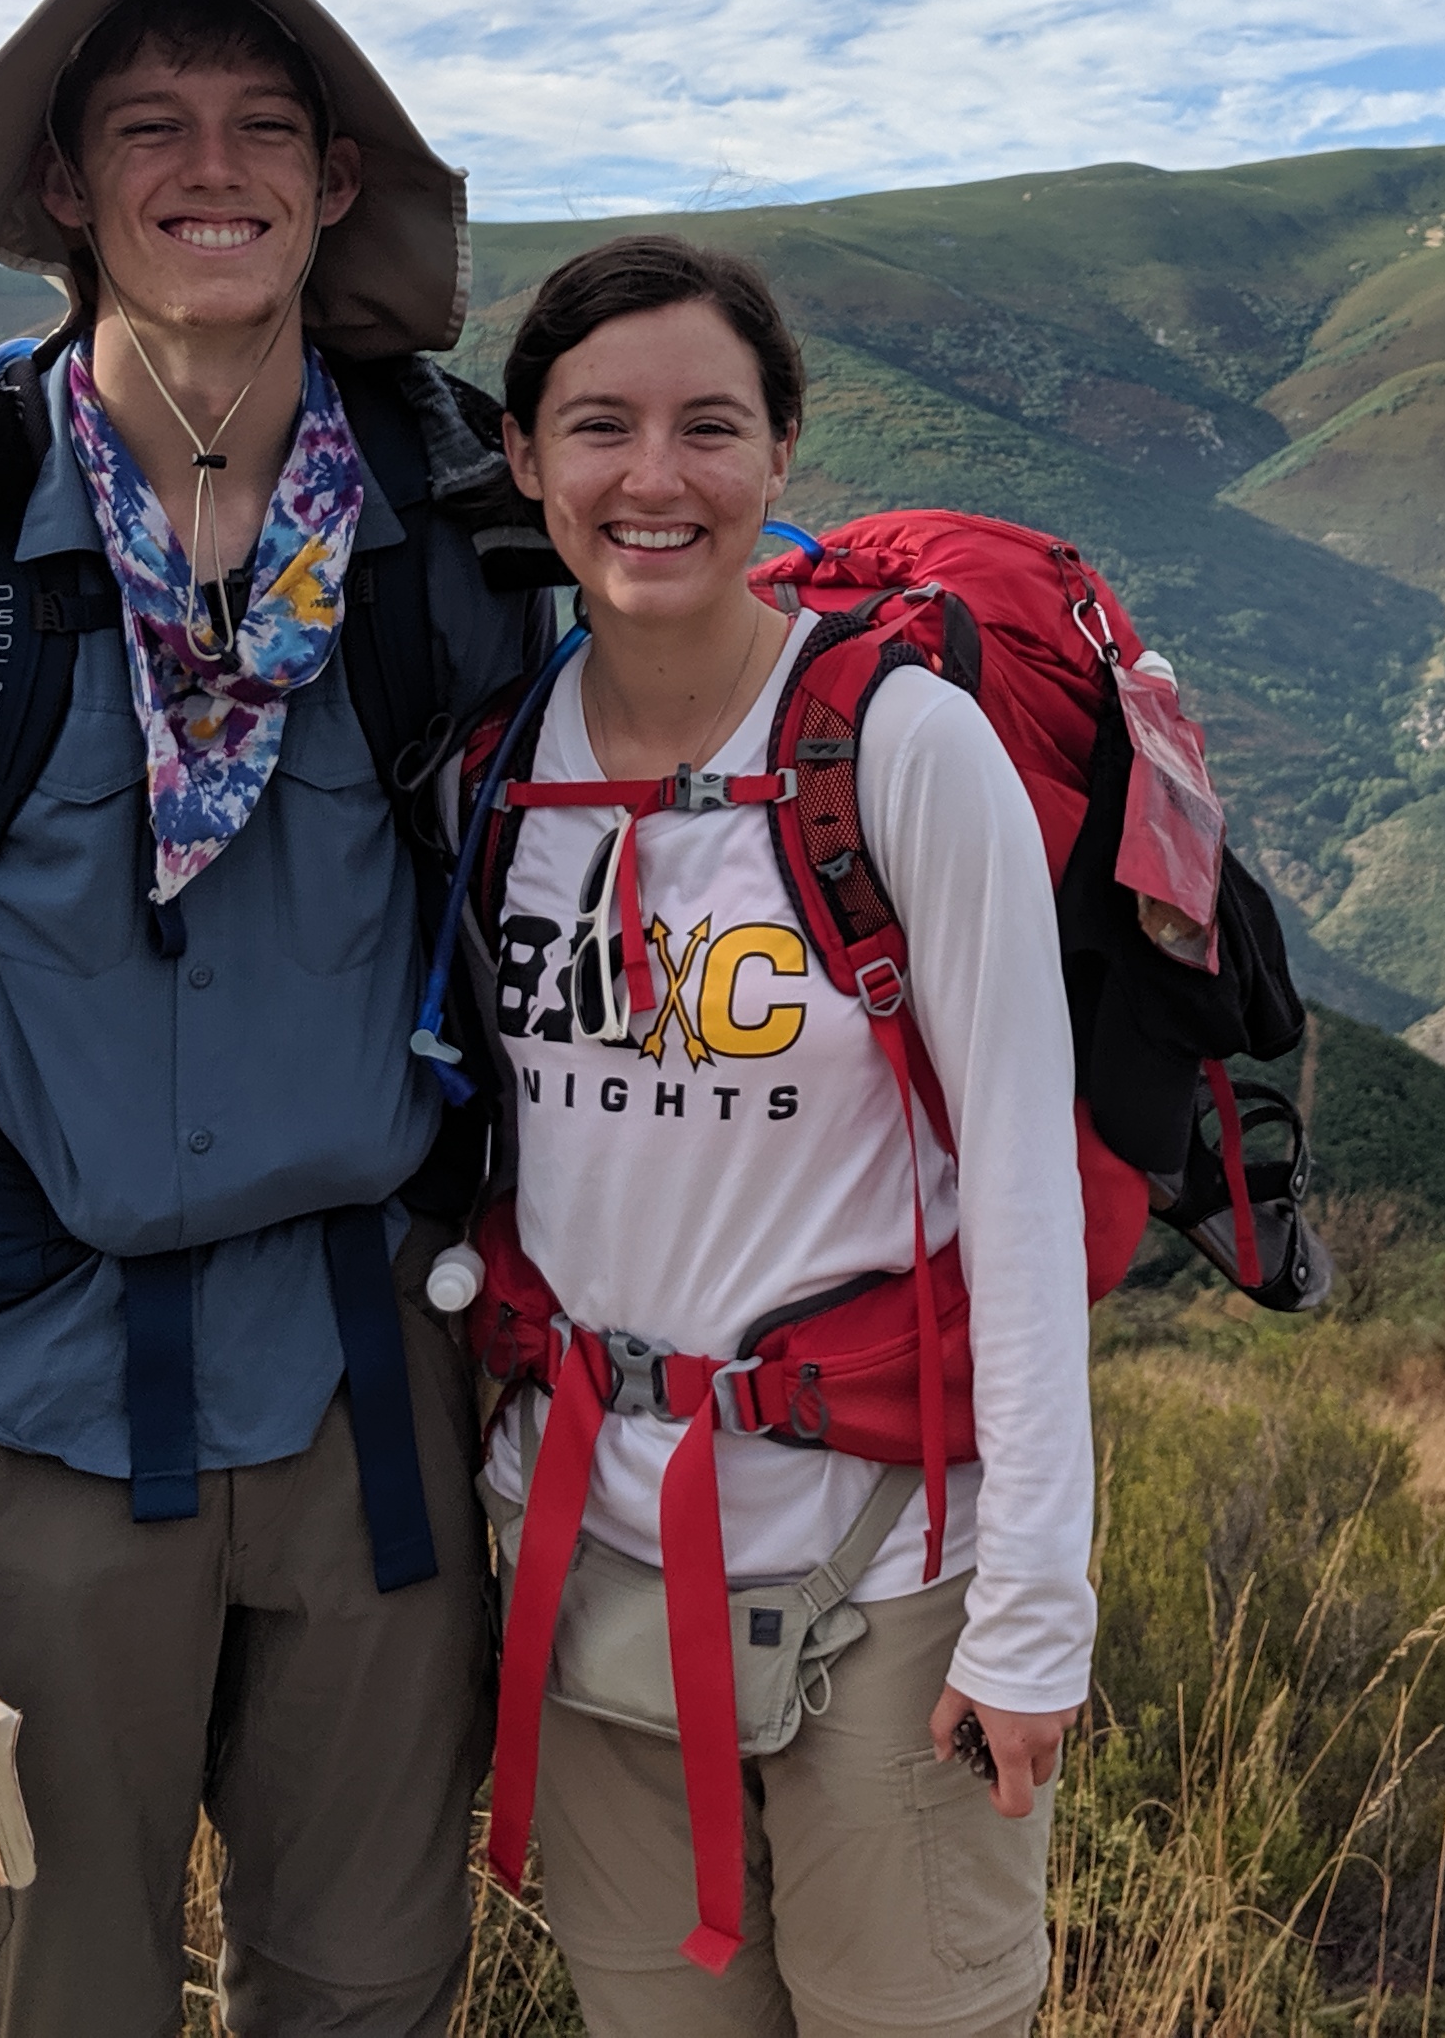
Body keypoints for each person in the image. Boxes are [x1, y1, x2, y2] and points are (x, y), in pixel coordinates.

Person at [0, 0, 545, 2038]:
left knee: (366, 1992)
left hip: (383, 1404)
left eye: (268, 125)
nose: (213, 165)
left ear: (337, 184)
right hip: (39, 1415)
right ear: (68, 187)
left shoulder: (458, 520)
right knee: (54, 2000)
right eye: (150, 125)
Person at [466, 234, 1092, 2038]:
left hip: (881, 1568)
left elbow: (1027, 1198)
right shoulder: (501, 769)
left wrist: (1036, 1609)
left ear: (782, 455)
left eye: (707, 428)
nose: (653, 482)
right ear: (523, 459)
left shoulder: (901, 753)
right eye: (599, 427)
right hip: (582, 1544)